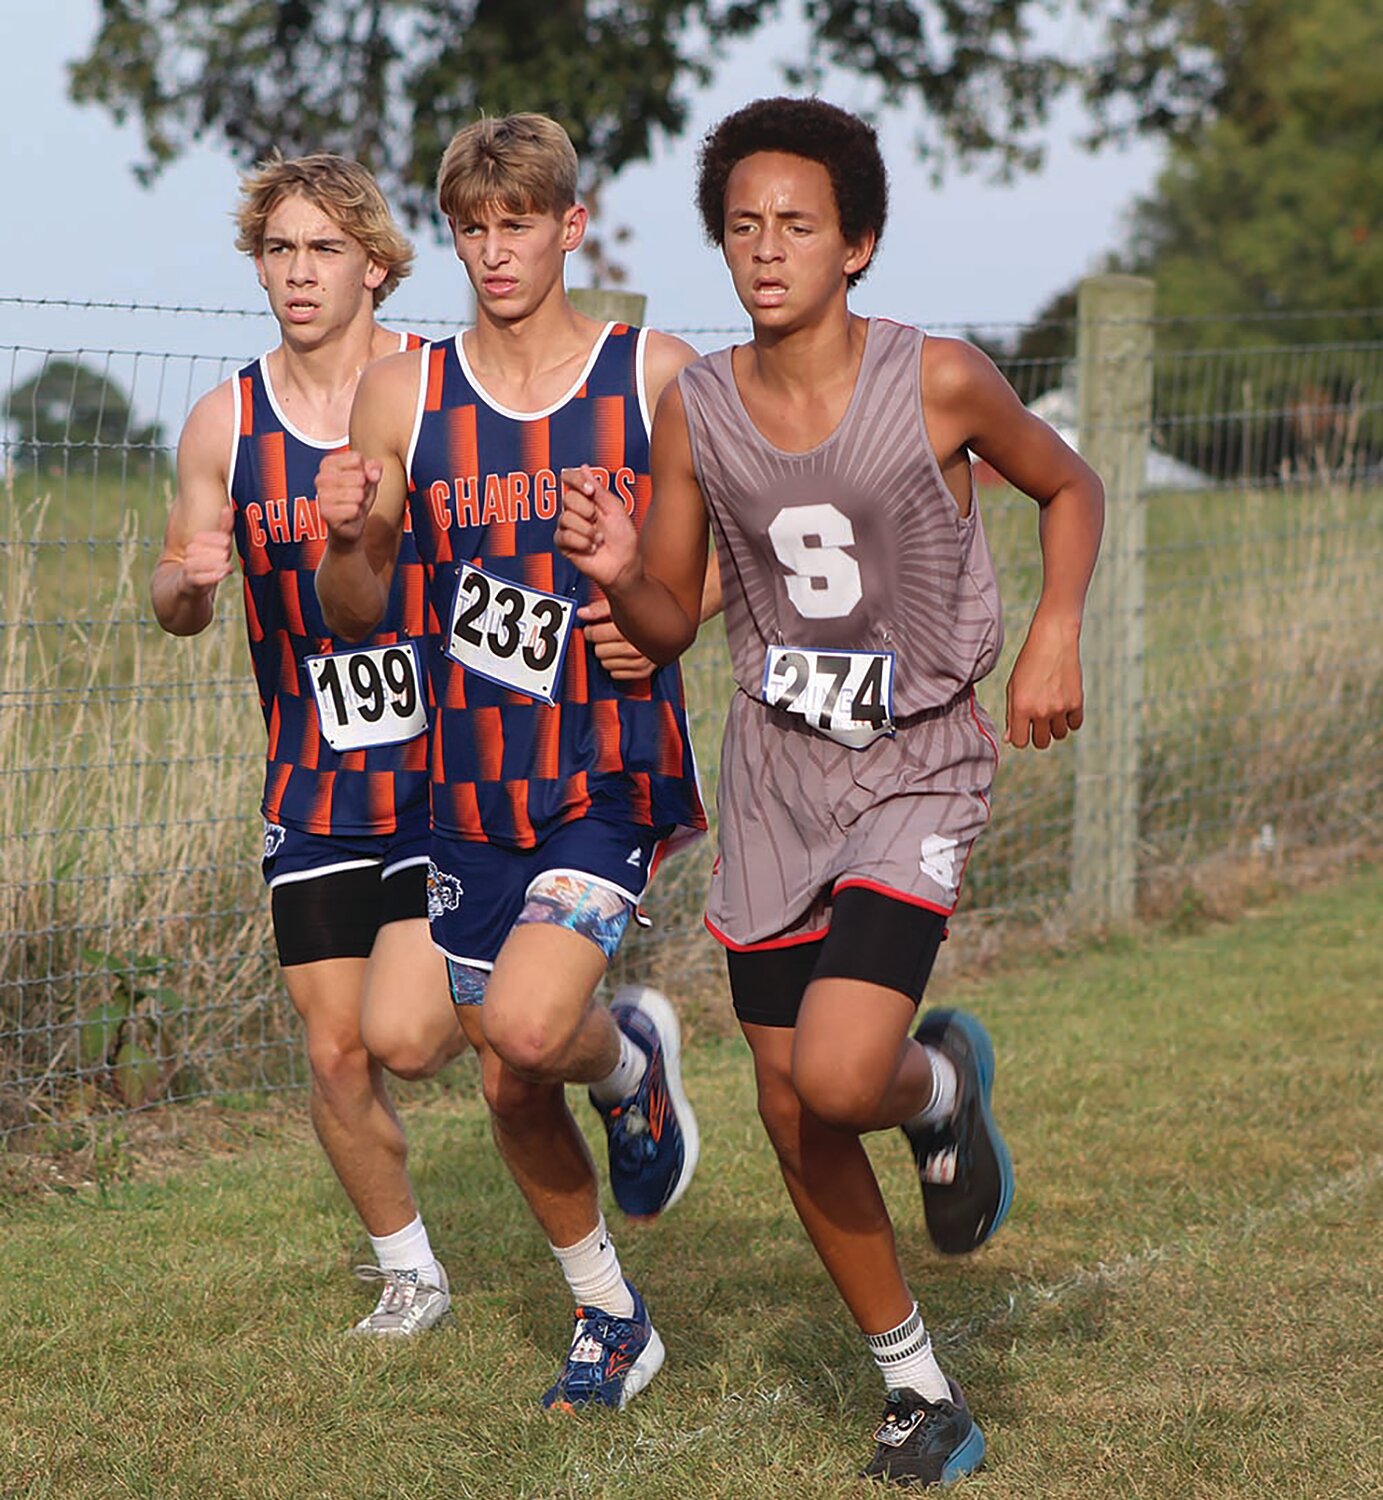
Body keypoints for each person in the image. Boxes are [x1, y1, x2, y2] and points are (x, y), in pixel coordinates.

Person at [557, 97, 1105, 1486]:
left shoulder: (935, 380)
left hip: (913, 759)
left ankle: (932, 1088)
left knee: (847, 1073)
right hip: (775, 783)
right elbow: (674, 620)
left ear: (854, 243)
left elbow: (1069, 482)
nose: (765, 248)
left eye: (796, 224)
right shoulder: (695, 409)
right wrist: (624, 569)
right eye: (740, 226)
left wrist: (1051, 632)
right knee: (792, 1112)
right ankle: (917, 1392)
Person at [315, 113, 708, 1410]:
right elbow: (357, 607)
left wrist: (642, 605)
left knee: (530, 1027)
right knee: (497, 1065)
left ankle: (623, 1065)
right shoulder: (403, 393)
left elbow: (697, 591)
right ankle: (610, 1312)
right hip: (469, 783)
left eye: (518, 224)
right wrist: (350, 540)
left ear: (568, 227)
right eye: (471, 229)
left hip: (603, 769)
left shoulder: (650, 373)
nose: (493, 251)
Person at [152, 153, 467, 1335]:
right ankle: (408, 1269)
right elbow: (178, 592)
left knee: (424, 1038)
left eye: (322, 248)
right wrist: (186, 584)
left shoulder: (439, 392)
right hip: (314, 777)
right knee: (338, 1053)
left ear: (376, 266)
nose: (297, 271)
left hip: (451, 773)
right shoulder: (225, 421)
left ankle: (618, 1048)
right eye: (278, 249)